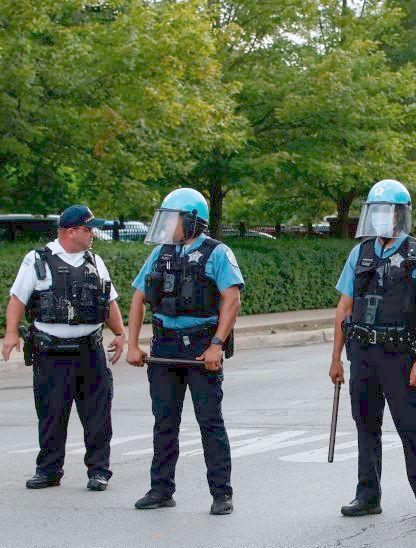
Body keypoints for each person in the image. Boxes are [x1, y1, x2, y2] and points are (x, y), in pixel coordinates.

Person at [329, 179, 416, 522]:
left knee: (410, 426)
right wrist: (335, 357)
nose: (380, 218)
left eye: (386, 212)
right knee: (366, 424)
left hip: (401, 355)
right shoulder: (361, 252)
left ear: (400, 216)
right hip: (363, 353)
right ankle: (367, 496)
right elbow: (343, 307)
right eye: (375, 211)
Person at [126, 188, 244, 515]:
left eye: (172, 218)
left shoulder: (217, 253)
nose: (167, 225)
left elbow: (231, 300)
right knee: (164, 420)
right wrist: (133, 343)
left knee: (209, 421)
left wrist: (216, 345)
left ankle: (222, 494)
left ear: (192, 221)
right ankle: (161, 489)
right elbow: (138, 298)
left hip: (202, 345)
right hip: (165, 344)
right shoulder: (162, 253)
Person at [2, 205, 126, 491]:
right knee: (51, 413)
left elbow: (109, 301)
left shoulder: (95, 261)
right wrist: (10, 334)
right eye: (87, 229)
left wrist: (120, 333)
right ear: (70, 232)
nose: (92, 234)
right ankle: (48, 471)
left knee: (97, 414)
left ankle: (99, 471)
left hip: (90, 351)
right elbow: (17, 299)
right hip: (52, 352)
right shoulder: (36, 260)